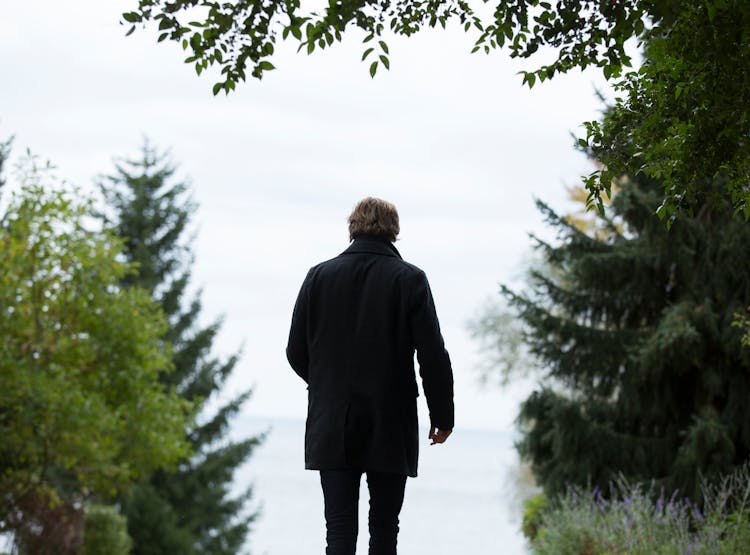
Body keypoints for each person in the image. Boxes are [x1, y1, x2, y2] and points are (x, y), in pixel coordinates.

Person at [286, 197, 455, 555]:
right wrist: (442, 417)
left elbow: (295, 351)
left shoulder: (319, 276)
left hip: (332, 422)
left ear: (352, 227)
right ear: (394, 231)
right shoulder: (410, 279)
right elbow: (432, 355)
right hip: (390, 422)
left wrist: (326, 386)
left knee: (339, 531)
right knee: (384, 530)